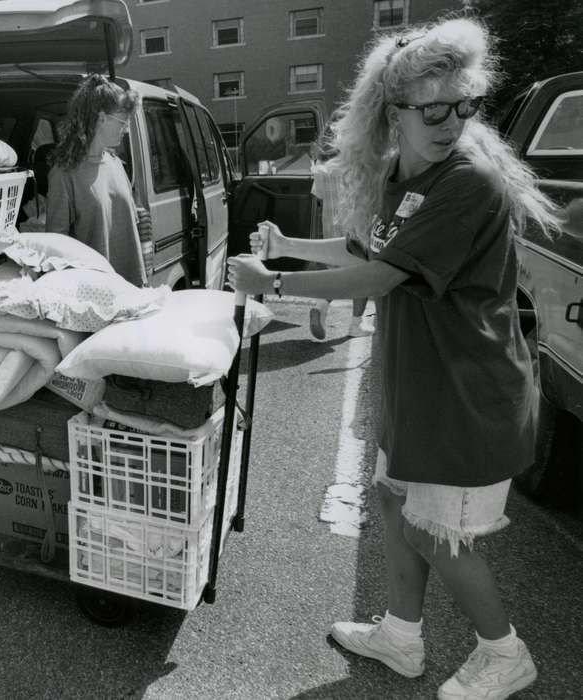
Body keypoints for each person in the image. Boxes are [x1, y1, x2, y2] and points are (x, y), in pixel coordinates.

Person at [229, 18, 560, 700]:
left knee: (442, 536)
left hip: (470, 395)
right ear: (394, 111)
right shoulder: (402, 175)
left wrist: (275, 285)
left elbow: (379, 281)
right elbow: (370, 253)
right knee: (392, 499)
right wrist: (290, 243)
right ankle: (401, 637)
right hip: (422, 385)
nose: (452, 122)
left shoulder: (466, 181)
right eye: (434, 110)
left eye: (465, 106)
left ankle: (505, 656)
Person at [46, 74, 146, 286]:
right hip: (95, 297)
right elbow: (56, 250)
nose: (127, 129)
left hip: (132, 291)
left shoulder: (116, 164)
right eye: (123, 121)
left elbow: (132, 232)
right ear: (101, 118)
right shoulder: (64, 174)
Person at [307, 139, 374, 340]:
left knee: (336, 273)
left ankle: (321, 306)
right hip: (355, 229)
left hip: (331, 230)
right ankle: (356, 324)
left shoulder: (321, 171)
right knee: (361, 276)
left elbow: (317, 201)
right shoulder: (358, 167)